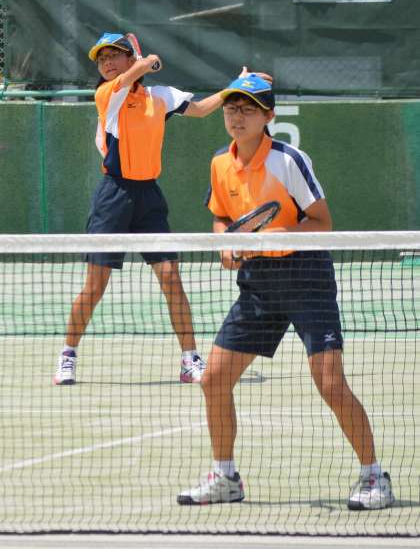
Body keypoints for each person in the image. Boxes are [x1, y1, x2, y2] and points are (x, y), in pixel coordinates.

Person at [177, 74, 395, 511]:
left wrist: (277, 237)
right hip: (258, 284)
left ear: (268, 116)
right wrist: (225, 245)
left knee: (330, 383)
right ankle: (225, 477)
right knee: (214, 379)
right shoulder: (220, 162)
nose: (237, 117)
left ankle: (375, 477)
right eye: (232, 108)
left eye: (248, 109)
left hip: (305, 278)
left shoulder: (289, 160)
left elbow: (322, 222)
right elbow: (222, 217)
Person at [53, 32, 271, 387]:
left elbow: (201, 109)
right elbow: (130, 76)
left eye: (114, 55)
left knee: (171, 277)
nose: (106, 63)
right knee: (95, 285)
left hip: (149, 197)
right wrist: (146, 62)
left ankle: (189, 360)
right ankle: (67, 355)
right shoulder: (107, 94)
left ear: (129, 56)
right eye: (101, 59)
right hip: (113, 196)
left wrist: (235, 86)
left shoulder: (161, 97)